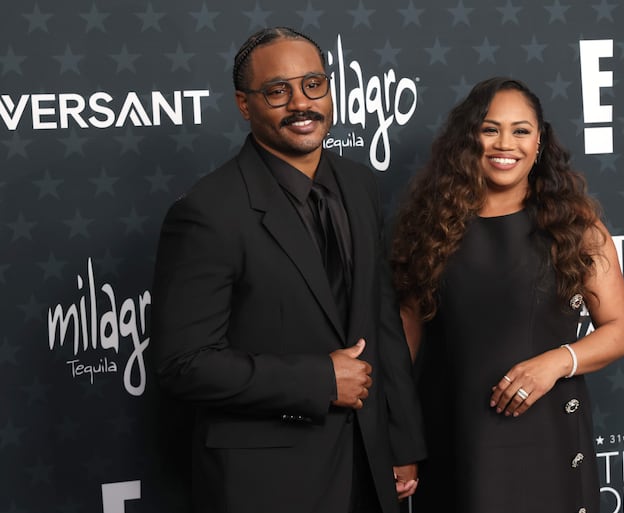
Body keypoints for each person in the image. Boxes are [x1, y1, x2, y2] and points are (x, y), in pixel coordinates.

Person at [150, 26, 425, 513]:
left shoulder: (360, 184)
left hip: (367, 467)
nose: (301, 103)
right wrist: (319, 380)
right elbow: (183, 364)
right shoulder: (209, 211)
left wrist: (402, 444)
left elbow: (382, 322)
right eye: (277, 91)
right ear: (244, 104)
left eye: (313, 84)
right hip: (266, 482)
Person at [389, 77, 624, 513]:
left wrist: (555, 362)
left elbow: (619, 331)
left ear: (539, 142)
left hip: (548, 438)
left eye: (521, 130)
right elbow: (404, 346)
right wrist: (399, 440)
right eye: (490, 129)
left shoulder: (577, 227)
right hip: (456, 441)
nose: (506, 143)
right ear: (469, 139)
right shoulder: (427, 229)